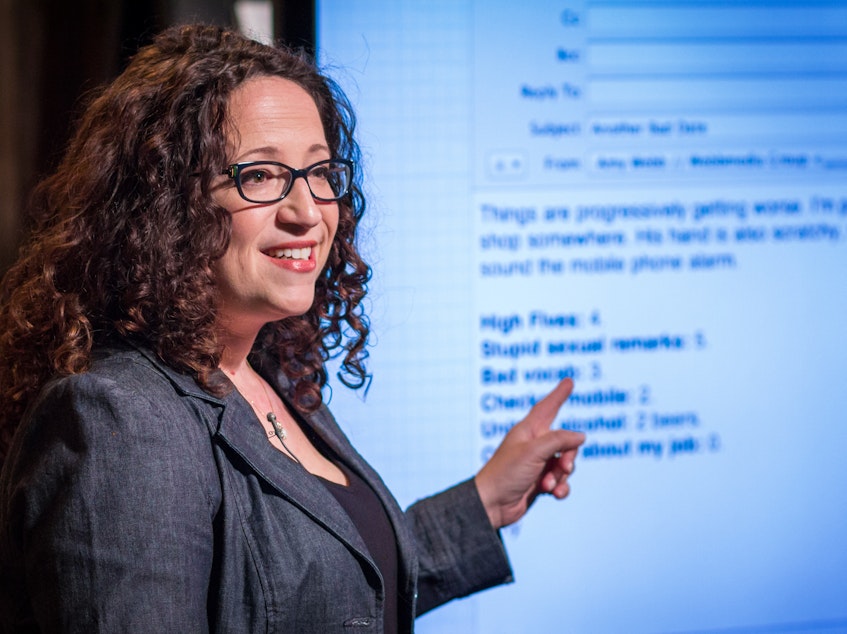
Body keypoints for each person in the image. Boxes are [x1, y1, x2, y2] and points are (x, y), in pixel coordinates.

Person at [0, 24, 585, 633]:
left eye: (320, 173)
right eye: (259, 176)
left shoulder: (265, 373)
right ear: (166, 204)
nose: (308, 212)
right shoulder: (120, 422)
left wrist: (486, 501)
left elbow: (326, 593)